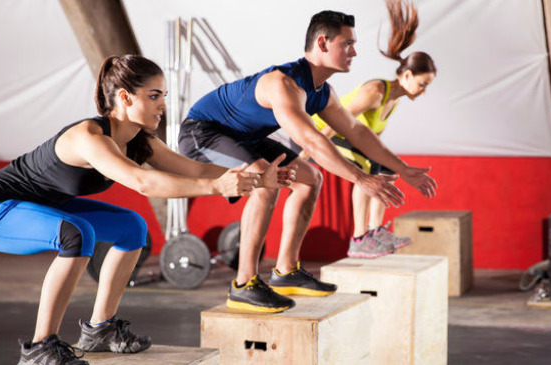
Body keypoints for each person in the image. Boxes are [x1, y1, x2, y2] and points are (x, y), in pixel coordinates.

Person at [0, 55, 294, 365]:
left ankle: (99, 330)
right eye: (153, 96)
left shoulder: (140, 140)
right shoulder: (89, 136)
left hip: (41, 206)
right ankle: (40, 348)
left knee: (132, 226)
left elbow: (191, 170)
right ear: (124, 97)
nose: (163, 104)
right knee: (76, 234)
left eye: (163, 95)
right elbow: (143, 183)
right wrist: (217, 187)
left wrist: (257, 178)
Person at [178, 9, 437, 313]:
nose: (355, 51)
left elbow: (356, 131)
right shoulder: (285, 84)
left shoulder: (322, 92)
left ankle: (286, 271)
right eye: (348, 44)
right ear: (323, 43)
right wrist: (362, 178)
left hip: (243, 138)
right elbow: (312, 140)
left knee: (310, 179)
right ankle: (244, 284)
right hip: (203, 131)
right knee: (265, 179)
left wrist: (403, 169)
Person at [308, 0, 437, 258]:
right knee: (368, 169)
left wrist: (393, 163)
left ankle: (375, 231)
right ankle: (359, 238)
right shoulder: (376, 92)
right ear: (407, 75)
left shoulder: (394, 100)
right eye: (422, 84)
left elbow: (372, 140)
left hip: (346, 136)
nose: (423, 92)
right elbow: (338, 121)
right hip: (323, 129)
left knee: (387, 169)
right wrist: (311, 148)